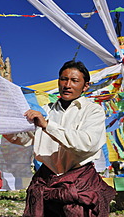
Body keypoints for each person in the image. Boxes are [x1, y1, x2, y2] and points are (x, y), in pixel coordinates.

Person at [7, 60, 116, 216]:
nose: (67, 84)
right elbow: (24, 138)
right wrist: (2, 119)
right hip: (46, 179)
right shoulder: (46, 110)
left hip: (79, 181)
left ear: (85, 86)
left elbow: (88, 143)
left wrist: (48, 126)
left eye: (74, 80)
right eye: (64, 79)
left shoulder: (93, 111)